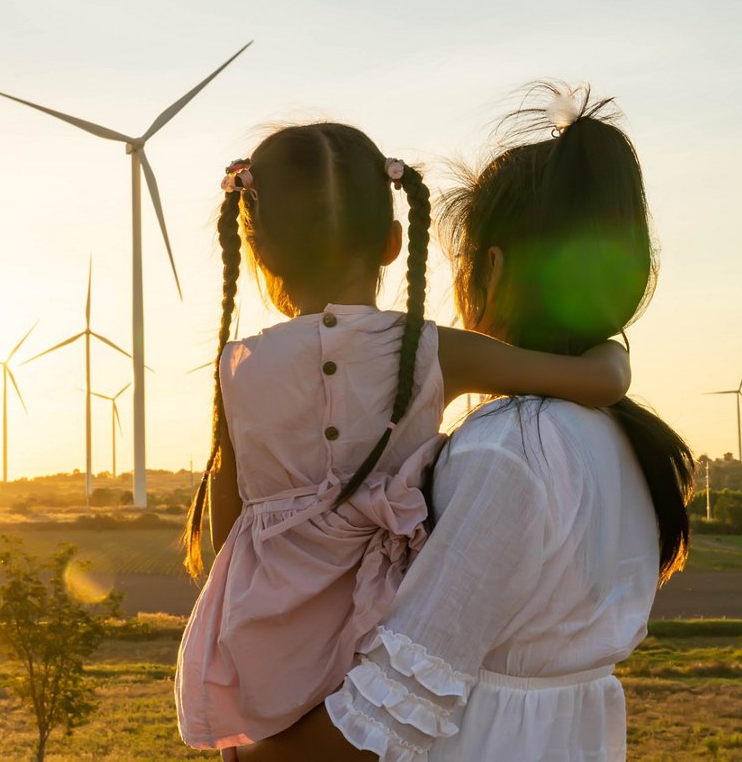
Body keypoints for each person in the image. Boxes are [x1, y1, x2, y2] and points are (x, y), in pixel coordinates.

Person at [235, 84, 695, 761]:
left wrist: (252, 753)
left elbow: (394, 705)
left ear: (494, 271)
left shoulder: (507, 450)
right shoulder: (623, 441)